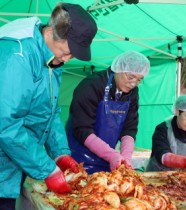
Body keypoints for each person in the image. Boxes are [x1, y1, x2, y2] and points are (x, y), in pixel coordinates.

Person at [0, 3, 97, 210]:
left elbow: (50, 112)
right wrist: (48, 170)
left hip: (14, 160)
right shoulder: (18, 56)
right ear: (51, 32)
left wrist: (59, 152)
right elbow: (6, 124)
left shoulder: (53, 59)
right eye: (68, 51)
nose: (68, 58)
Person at [66, 50, 150, 174]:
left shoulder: (132, 93)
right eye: (130, 77)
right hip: (78, 159)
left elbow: (129, 128)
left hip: (106, 162)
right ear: (118, 69)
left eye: (139, 79)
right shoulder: (91, 85)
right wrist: (111, 155)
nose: (133, 83)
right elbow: (82, 129)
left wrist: (125, 158)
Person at [146, 94, 186, 172]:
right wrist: (185, 161)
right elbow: (162, 155)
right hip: (158, 176)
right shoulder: (163, 128)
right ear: (178, 112)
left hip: (181, 178)